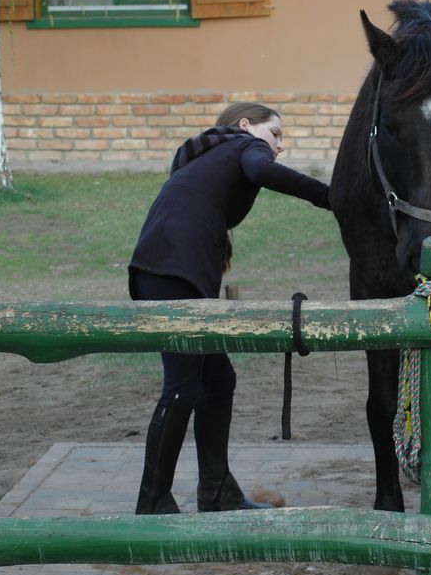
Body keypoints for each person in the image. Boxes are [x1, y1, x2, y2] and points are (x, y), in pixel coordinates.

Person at [128, 102, 331, 515]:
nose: (279, 146)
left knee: (217, 379)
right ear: (245, 125)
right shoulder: (243, 145)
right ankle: (151, 504)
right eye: (275, 134)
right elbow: (262, 170)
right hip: (172, 274)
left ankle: (216, 491)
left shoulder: (208, 154)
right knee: (182, 387)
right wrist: (331, 197)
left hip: (162, 272)